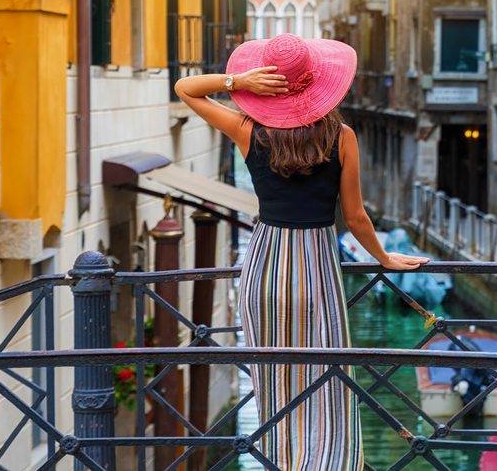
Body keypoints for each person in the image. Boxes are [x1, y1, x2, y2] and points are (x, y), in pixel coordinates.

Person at [174, 33, 427, 470]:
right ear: (320, 85)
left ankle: (283, 460)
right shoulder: (342, 136)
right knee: (326, 374)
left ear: (266, 85)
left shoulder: (246, 130)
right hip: (316, 267)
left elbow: (185, 88)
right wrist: (383, 258)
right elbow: (356, 217)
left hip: (265, 269)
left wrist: (238, 82)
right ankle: (328, 460)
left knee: (275, 378)